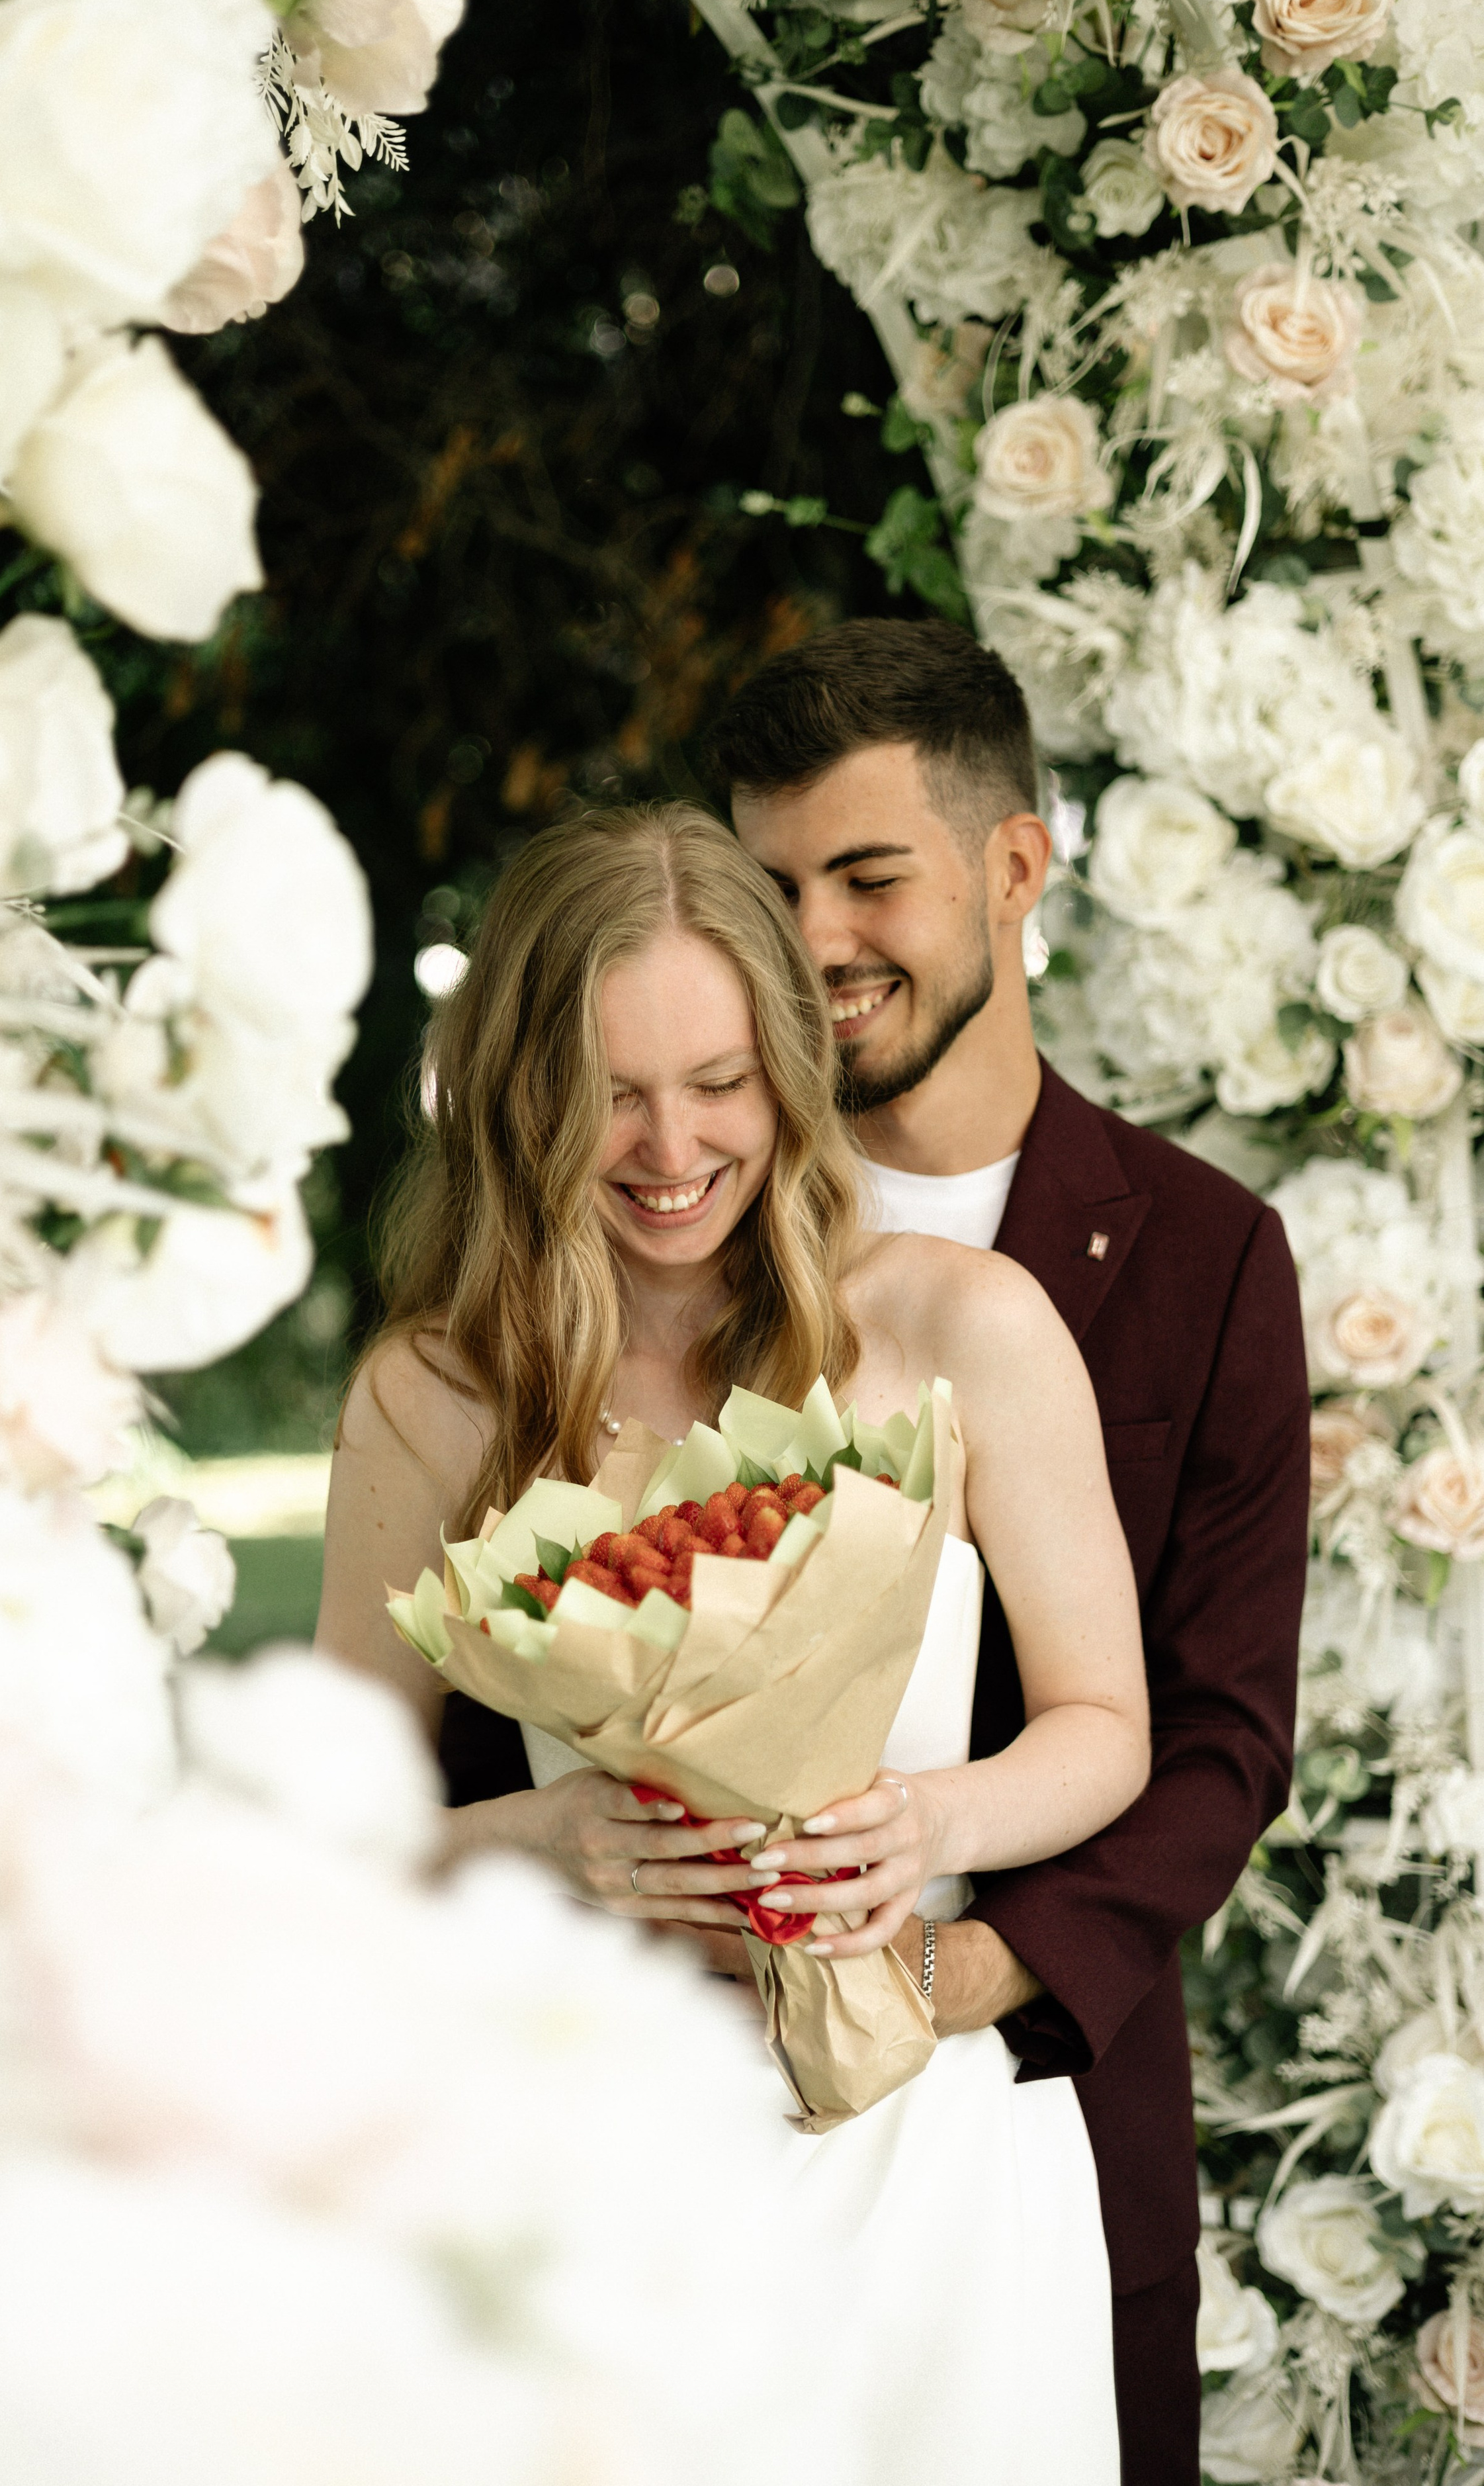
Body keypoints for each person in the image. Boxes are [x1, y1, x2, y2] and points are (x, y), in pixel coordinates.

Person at [318, 803, 1149, 2483]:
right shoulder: (433, 1392)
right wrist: (540, 1840)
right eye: (607, 1091)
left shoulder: (959, 1326)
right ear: (520, 1095)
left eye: (717, 1082)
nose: (667, 1143)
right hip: (593, 2147)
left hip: (931, 2141)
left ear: (788, 1065)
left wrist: (938, 1825)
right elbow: (322, 1833)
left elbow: (1107, 1724)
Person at [707, 617, 1310, 2486]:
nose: (816, 942)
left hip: (1050, 2090)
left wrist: (972, 1979)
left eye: (869, 877)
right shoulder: (680, 1240)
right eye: (772, 888)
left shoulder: (1207, 1258)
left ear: (1016, 865)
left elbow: (1221, 1737)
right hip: (699, 2113)